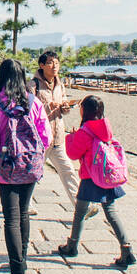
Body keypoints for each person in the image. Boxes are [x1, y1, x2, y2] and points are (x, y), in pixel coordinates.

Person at [0, 59, 50, 274]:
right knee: (23, 213)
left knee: (10, 218)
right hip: (30, 165)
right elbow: (45, 134)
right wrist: (37, 156)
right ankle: (23, 261)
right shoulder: (33, 101)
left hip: (7, 166)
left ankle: (16, 272)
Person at [55, 95, 136, 268]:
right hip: (107, 176)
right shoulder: (105, 128)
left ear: (85, 110)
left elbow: (73, 154)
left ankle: (72, 245)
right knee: (111, 212)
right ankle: (126, 247)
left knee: (80, 212)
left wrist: (71, 137)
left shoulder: (85, 131)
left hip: (91, 176)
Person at [33, 51, 97, 219]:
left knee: (68, 170)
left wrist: (65, 107)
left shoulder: (59, 85)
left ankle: (83, 208)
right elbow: (30, 111)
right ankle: (23, 205)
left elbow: (63, 109)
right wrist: (48, 107)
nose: (54, 66)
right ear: (41, 65)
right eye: (50, 63)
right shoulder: (33, 85)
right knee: (34, 172)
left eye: (56, 63)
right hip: (40, 138)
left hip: (58, 136)